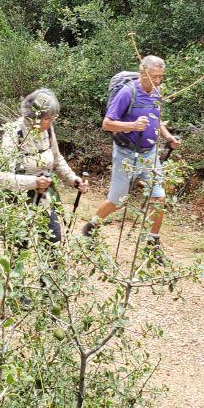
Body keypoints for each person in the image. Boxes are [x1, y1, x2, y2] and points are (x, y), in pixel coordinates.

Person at [80, 55, 181, 262]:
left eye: (161, 77)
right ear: (142, 72)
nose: (158, 81)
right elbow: (107, 123)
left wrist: (168, 137)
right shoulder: (127, 92)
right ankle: (91, 226)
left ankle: (152, 244)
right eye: (154, 76)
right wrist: (132, 126)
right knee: (117, 200)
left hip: (149, 153)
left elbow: (157, 119)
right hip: (126, 153)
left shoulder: (157, 92)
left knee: (159, 198)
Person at [0, 89, 89, 245]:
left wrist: (73, 180)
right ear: (33, 117)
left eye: (54, 118)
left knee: (53, 240)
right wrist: (35, 182)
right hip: (17, 199)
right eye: (48, 118)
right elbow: (4, 177)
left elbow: (57, 160)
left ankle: (54, 269)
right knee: (19, 245)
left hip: (43, 197)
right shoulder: (14, 133)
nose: (51, 122)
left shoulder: (48, 130)